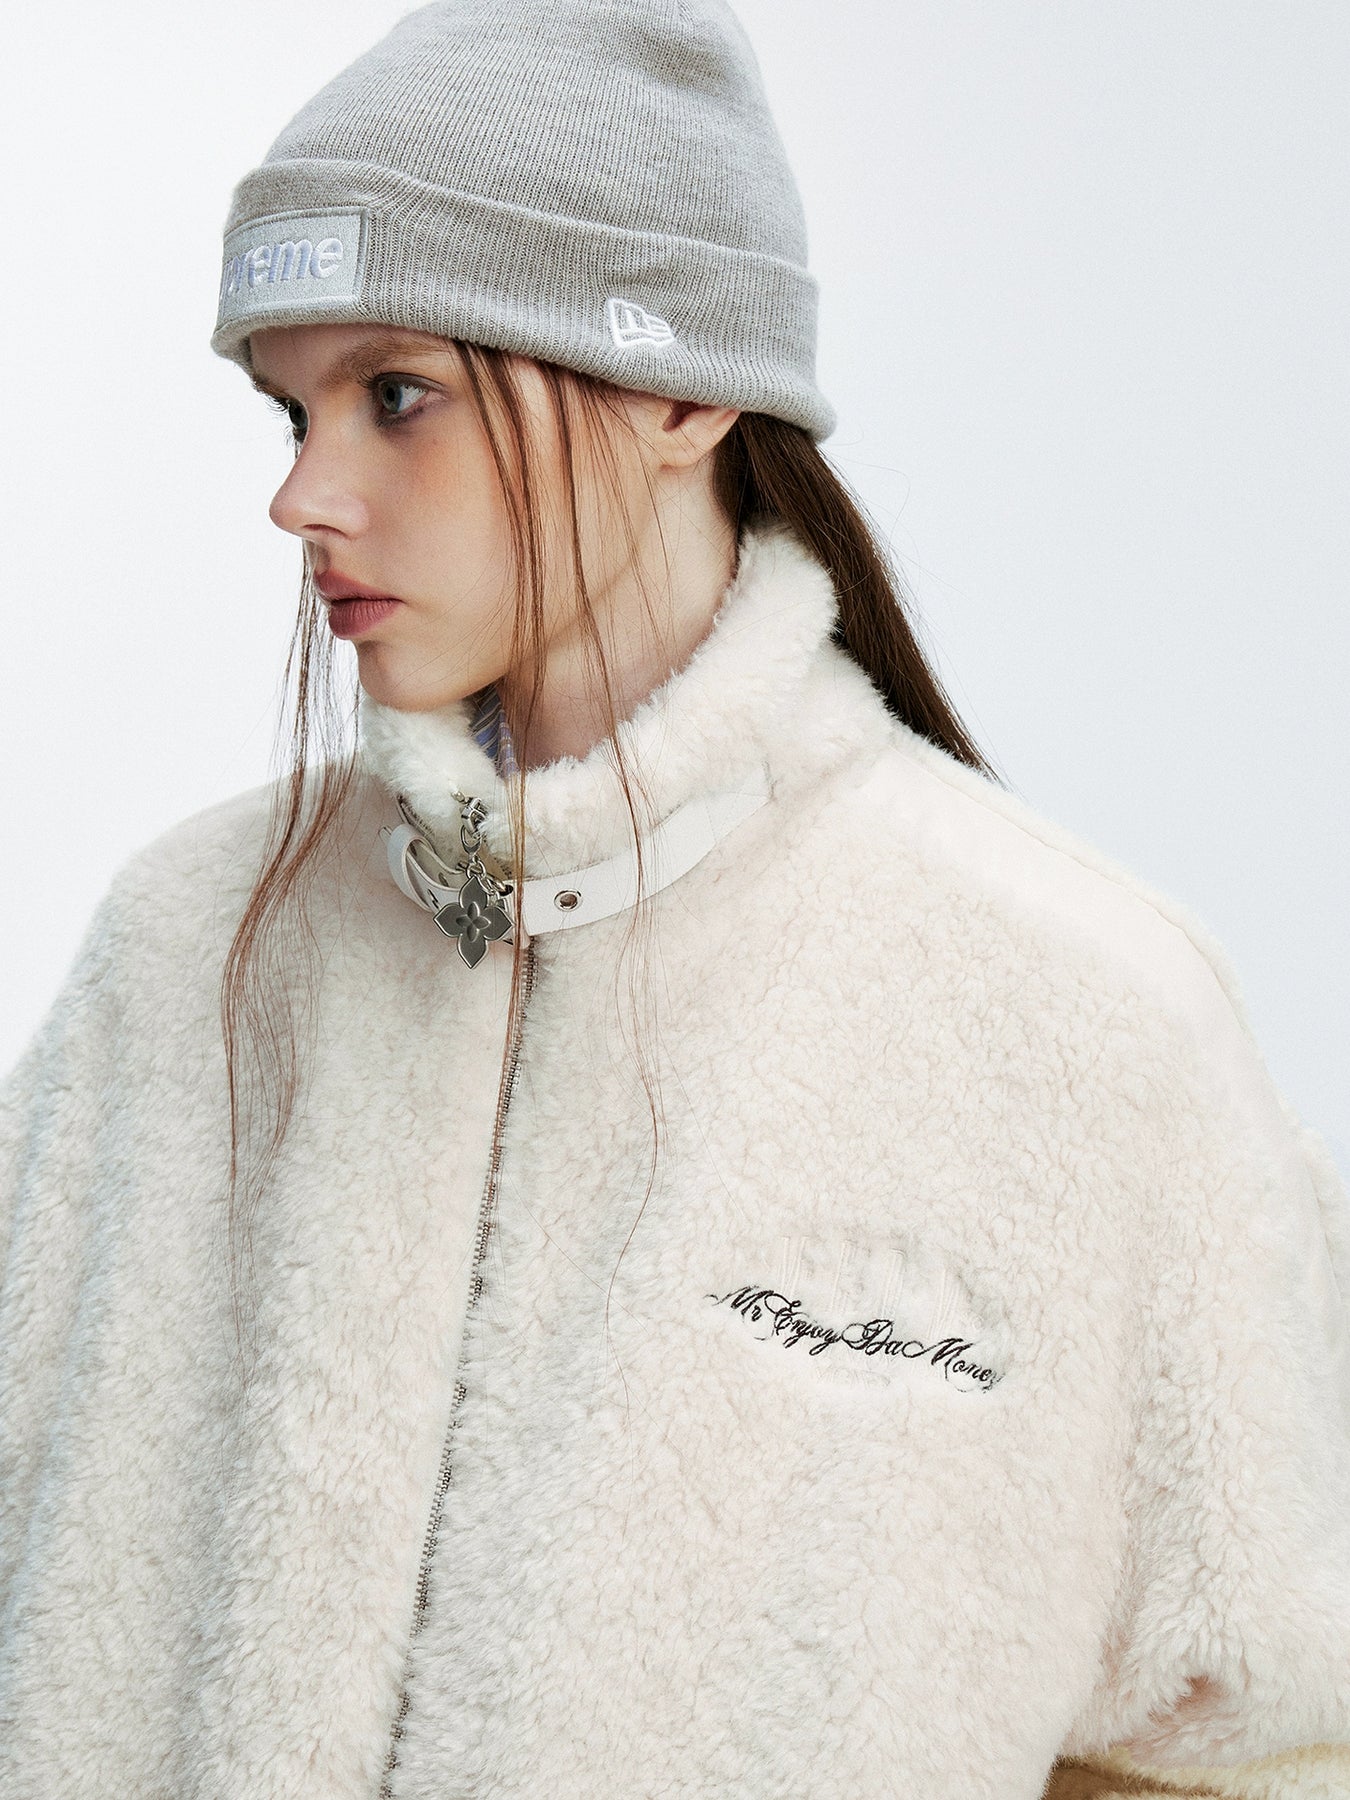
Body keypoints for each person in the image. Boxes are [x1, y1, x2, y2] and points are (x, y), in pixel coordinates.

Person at [1, 3, 1347, 1796]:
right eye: (289, 409)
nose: (303, 495)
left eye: (395, 395)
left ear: (684, 393)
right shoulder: (185, 951)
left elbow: (1256, 1737)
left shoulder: (1080, 1017)